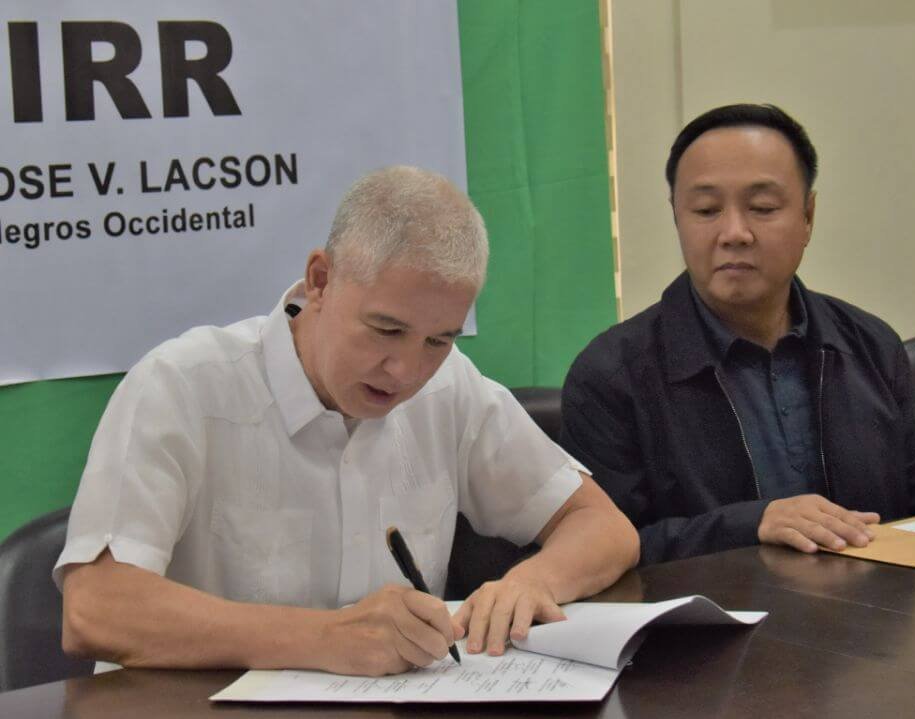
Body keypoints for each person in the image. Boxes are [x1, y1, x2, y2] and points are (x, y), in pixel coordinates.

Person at [56, 166, 639, 676]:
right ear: (320, 281)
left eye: (437, 339)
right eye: (386, 329)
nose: (406, 370)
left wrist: (532, 582)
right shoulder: (184, 384)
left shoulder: (450, 386)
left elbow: (602, 527)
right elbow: (96, 608)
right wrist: (322, 638)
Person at [560, 104, 915, 566]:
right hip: (707, 631)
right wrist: (751, 524)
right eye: (706, 209)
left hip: (873, 625)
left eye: (762, 208)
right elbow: (598, 552)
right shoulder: (612, 374)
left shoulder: (871, 345)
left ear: (808, 216)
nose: (734, 233)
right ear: (677, 217)